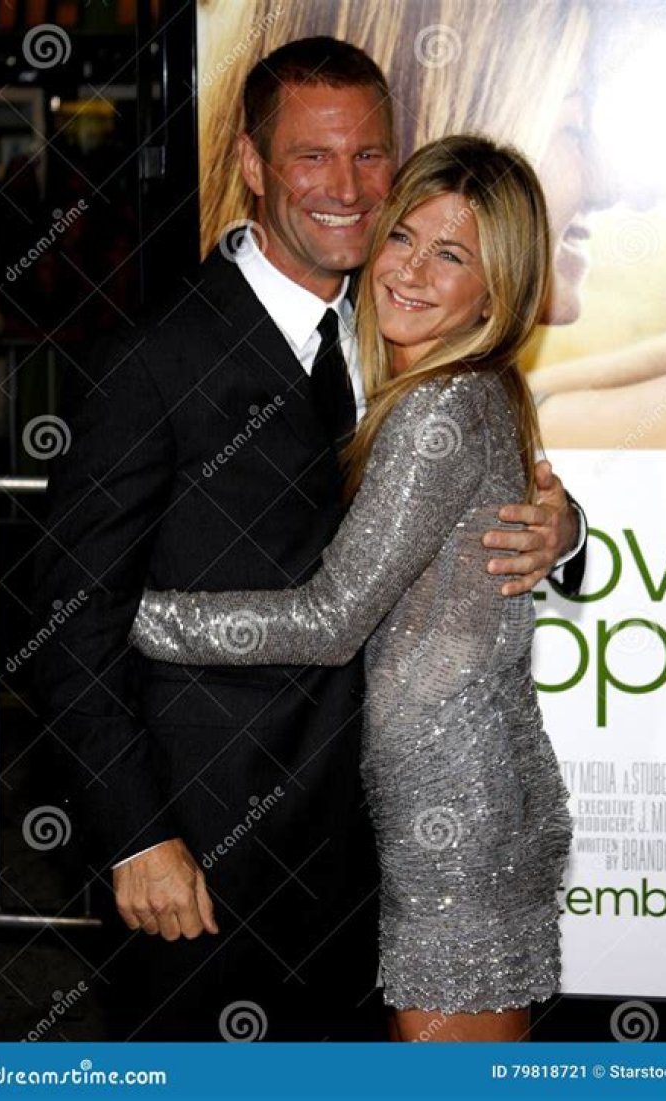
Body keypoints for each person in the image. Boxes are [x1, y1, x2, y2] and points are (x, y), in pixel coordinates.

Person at [32, 38, 583, 1043]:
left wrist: (563, 527)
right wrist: (134, 835)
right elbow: (70, 618)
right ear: (252, 163)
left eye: (369, 156)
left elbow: (477, 494)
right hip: (209, 849)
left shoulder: (404, 331)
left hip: (374, 848)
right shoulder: (154, 357)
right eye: (312, 157)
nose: (348, 187)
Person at [197, 0, 666, 449]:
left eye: (366, 156)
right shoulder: (179, 358)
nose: (613, 190)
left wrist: (557, 515)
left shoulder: (388, 340)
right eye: (574, 132)